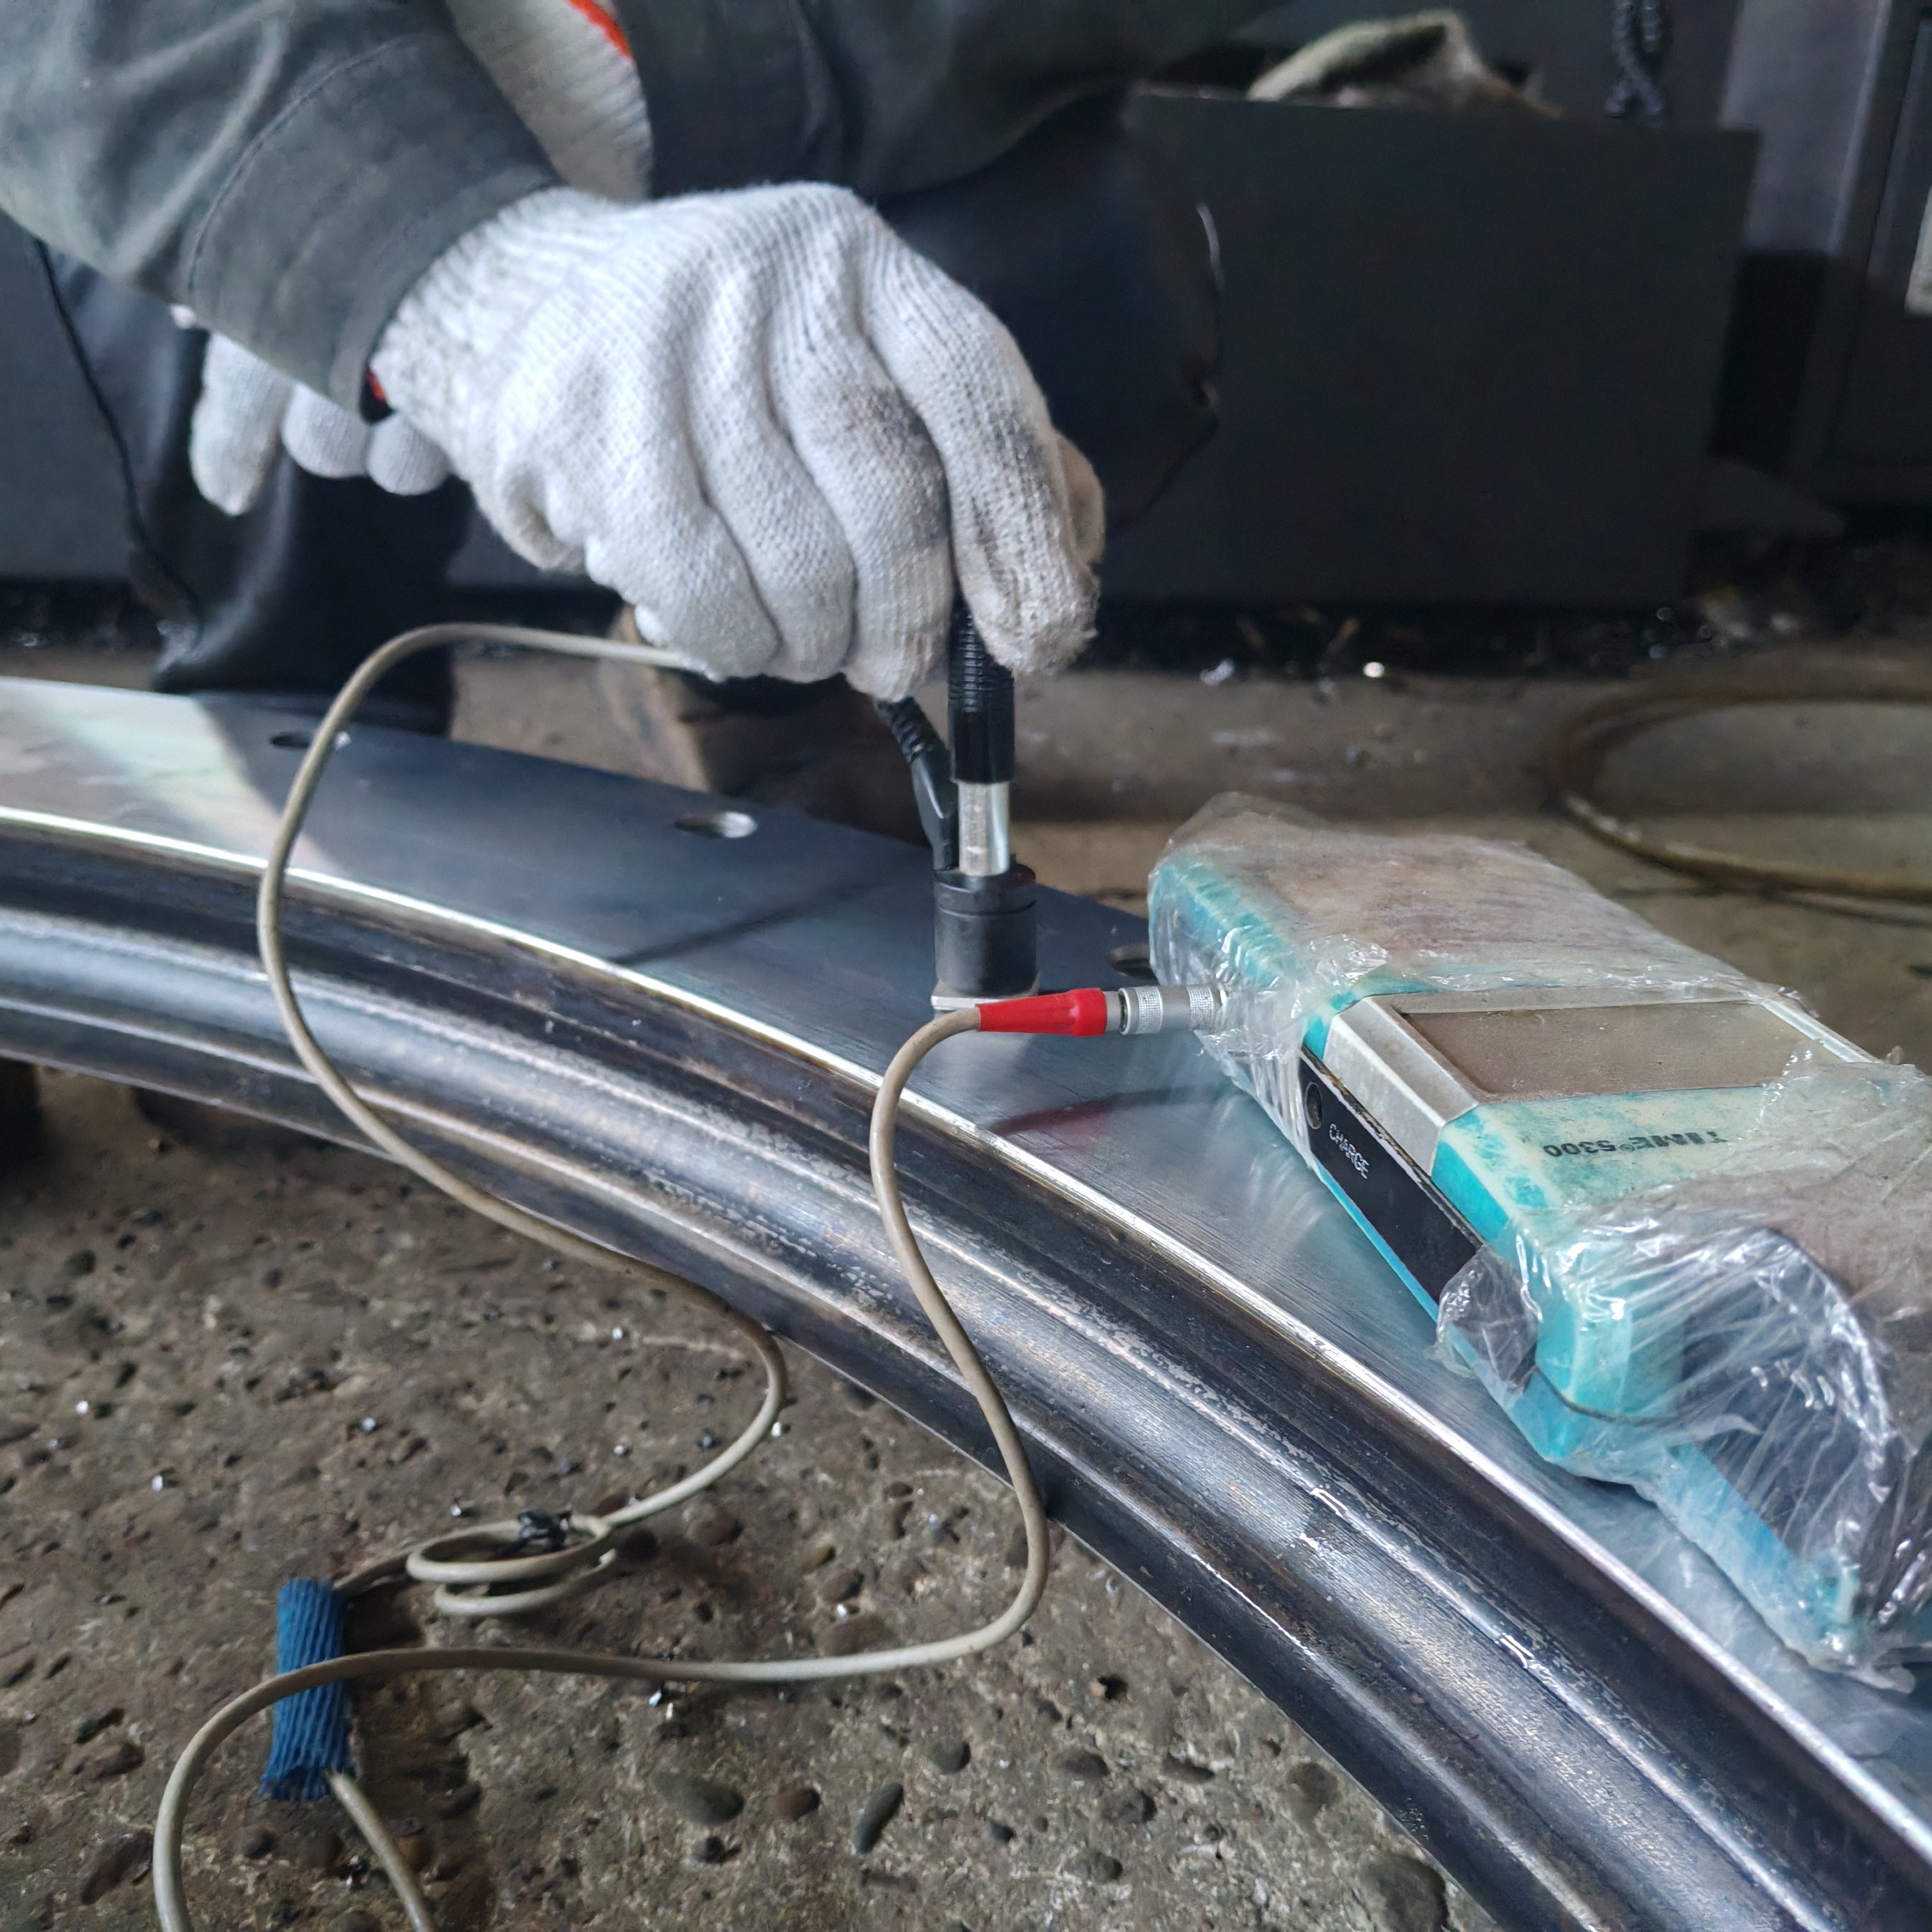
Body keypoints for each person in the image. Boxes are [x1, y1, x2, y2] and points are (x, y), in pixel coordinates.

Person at [0, 1, 1250, 802]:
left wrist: (660, 59)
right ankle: (292, 724)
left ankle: (761, 665)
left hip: (866, 66)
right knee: (223, 267)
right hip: (280, 38)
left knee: (1075, 286)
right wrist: (396, 221)